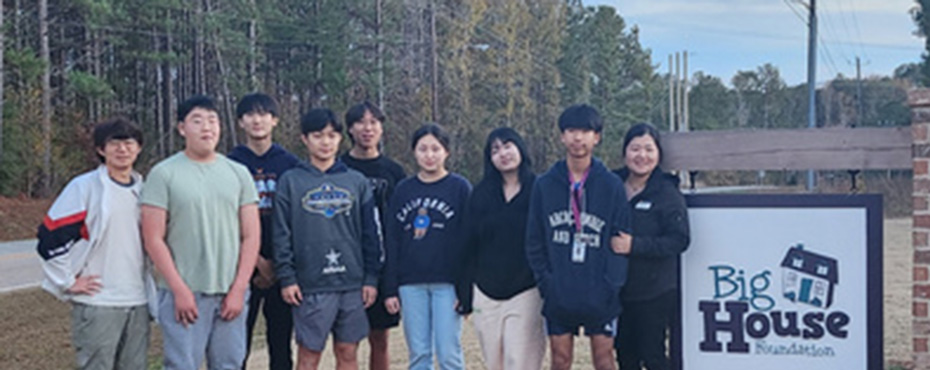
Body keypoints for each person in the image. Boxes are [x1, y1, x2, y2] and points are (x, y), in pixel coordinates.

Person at [141, 95, 261, 369]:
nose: (206, 127)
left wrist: (239, 288)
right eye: (197, 121)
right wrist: (178, 288)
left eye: (212, 120)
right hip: (183, 293)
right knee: (181, 364)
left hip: (231, 291)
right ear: (182, 128)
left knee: (229, 363)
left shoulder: (238, 173)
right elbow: (153, 237)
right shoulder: (163, 174)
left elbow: (251, 235)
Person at [37, 117, 152, 370]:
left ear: (139, 148)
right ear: (101, 149)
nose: (122, 149)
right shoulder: (85, 187)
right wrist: (67, 281)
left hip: (137, 301)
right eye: (114, 143)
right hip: (99, 303)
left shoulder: (146, 190)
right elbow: (50, 237)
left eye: (129, 143)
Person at [273, 108, 381, 370]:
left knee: (347, 351)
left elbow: (371, 233)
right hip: (311, 284)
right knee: (309, 354)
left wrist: (371, 278)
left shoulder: (356, 181)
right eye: (318, 135)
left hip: (352, 283)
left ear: (340, 139)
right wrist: (287, 278)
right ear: (304, 139)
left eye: (332, 135)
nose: (325, 142)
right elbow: (281, 233)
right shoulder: (291, 181)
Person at [525, 104, 631, 370]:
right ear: (562, 136)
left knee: (604, 360)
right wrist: (547, 282)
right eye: (571, 130)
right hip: (559, 291)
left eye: (585, 131)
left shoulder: (611, 185)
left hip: (601, 292)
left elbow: (622, 238)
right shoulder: (545, 184)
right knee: (560, 361)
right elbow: (534, 239)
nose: (578, 138)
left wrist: (612, 284)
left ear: (597, 137)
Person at [383, 123, 471, 370]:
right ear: (414, 152)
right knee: (419, 355)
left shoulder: (460, 188)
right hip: (411, 284)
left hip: (448, 284)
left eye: (436, 149)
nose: (429, 155)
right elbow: (392, 239)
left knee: (448, 354)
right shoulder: (404, 190)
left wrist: (465, 288)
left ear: (447, 152)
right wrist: (390, 287)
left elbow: (470, 240)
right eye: (423, 149)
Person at [461, 127, 546, 370]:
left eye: (508, 146)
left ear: (520, 148)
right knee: (494, 362)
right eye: (495, 149)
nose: (503, 153)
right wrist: (466, 290)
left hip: (527, 290)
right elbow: (469, 245)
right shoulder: (480, 194)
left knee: (518, 361)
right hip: (486, 291)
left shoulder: (539, 189)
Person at [228, 93, 300, 370]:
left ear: (275, 120)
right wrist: (255, 262)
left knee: (280, 344)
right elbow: (225, 220)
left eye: (263, 114)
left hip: (282, 265)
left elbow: (296, 221)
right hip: (240, 267)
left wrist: (278, 264)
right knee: (237, 344)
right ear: (241, 122)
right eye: (250, 115)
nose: (257, 120)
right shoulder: (230, 164)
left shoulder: (290, 164)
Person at [612, 123, 690, 370]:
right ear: (625, 153)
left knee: (653, 356)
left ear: (658, 154)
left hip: (655, 292)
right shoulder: (611, 185)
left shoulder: (667, 192)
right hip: (618, 290)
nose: (641, 156)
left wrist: (635, 245)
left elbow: (679, 240)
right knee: (625, 356)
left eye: (648, 149)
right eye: (635, 148)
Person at [340, 101, 406, 370]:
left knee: (380, 338)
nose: (367, 128)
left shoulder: (394, 172)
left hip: (383, 266)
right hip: (345, 264)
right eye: (361, 122)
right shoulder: (339, 168)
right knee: (347, 341)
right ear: (350, 129)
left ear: (381, 128)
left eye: (374, 122)